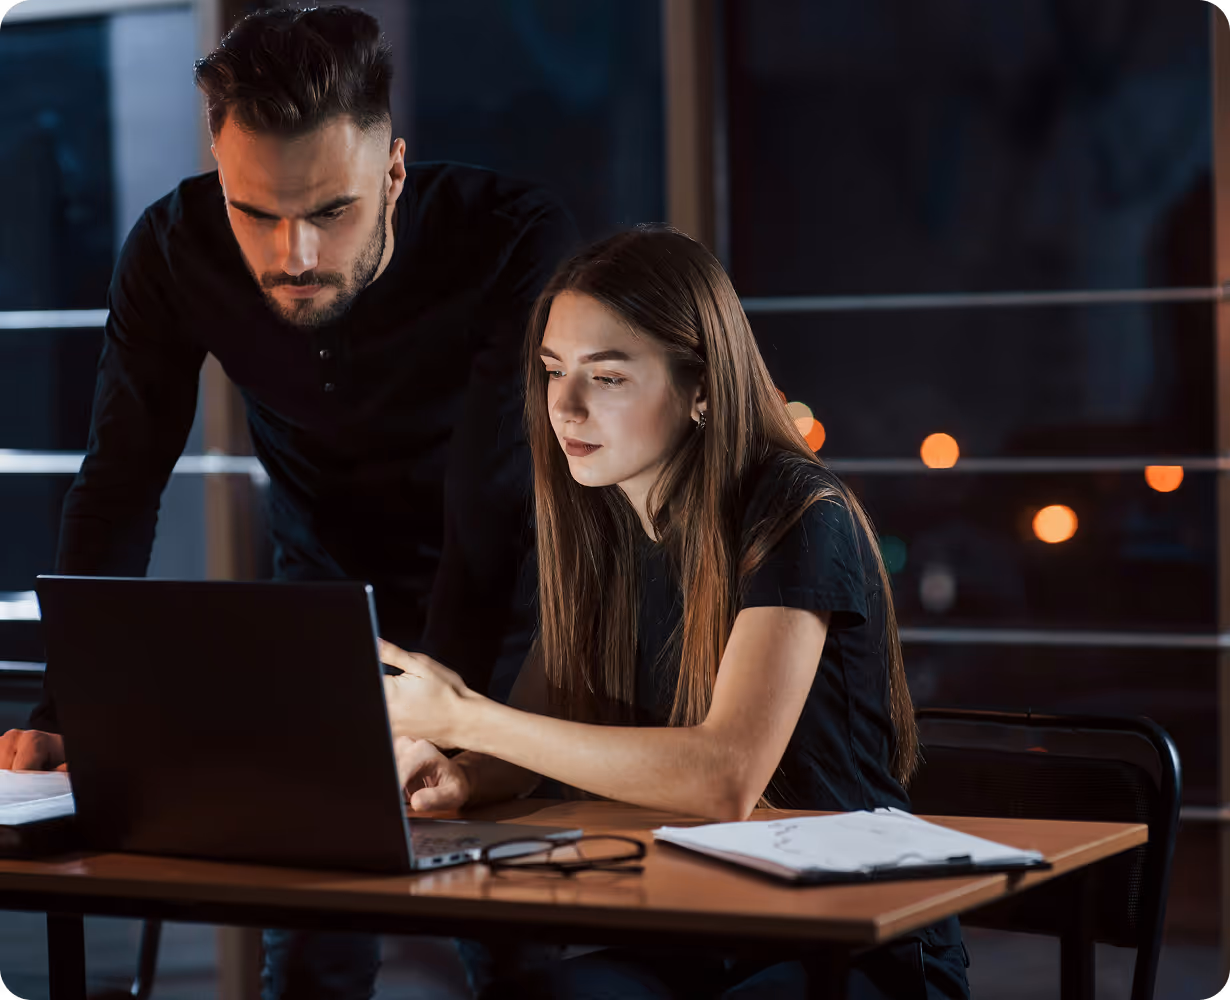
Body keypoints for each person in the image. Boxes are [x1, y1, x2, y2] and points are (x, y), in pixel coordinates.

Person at [0, 5, 576, 995]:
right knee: (306, 949)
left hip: (514, 618)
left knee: (515, 948)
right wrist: (66, 707)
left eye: (329, 211)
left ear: (393, 170)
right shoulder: (175, 247)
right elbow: (118, 481)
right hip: (323, 619)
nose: (293, 253)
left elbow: (490, 507)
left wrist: (438, 723)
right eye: (256, 212)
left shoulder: (513, 238)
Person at [379, 226, 971, 999]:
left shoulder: (796, 512)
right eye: (553, 371)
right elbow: (528, 746)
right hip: (700, 923)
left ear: (701, 390)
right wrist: (459, 778)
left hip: (855, 935)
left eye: (608, 377)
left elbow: (723, 777)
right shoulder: (601, 526)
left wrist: (464, 718)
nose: (564, 405)